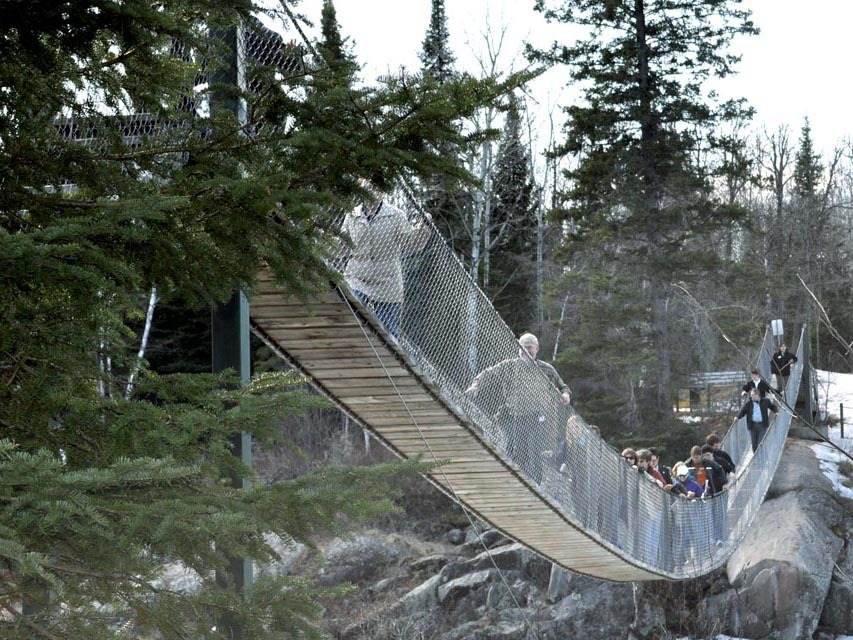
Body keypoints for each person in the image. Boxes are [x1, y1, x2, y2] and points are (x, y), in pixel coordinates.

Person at [465, 332, 571, 481]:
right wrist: (475, 386)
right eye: (522, 348)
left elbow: (563, 386)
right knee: (516, 450)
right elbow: (488, 373)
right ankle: (514, 480)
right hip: (516, 416)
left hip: (538, 417)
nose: (526, 351)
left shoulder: (546, 369)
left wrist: (565, 395)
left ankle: (535, 484)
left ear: (537, 349)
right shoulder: (509, 366)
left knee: (535, 449)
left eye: (529, 348)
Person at [342, 180, 431, 339]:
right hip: (357, 277)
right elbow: (342, 243)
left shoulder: (396, 215)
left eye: (375, 188)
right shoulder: (352, 215)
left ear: (382, 193)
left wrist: (423, 229)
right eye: (367, 188)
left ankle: (391, 361)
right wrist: (322, 239)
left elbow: (412, 244)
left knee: (388, 332)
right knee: (351, 313)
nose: (371, 192)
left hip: (387, 282)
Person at [737, 388, 778, 453]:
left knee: (760, 443)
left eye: (753, 395)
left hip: (762, 425)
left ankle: (760, 458)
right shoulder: (749, 403)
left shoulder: (766, 401)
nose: (751, 396)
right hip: (752, 426)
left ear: (757, 395)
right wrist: (737, 417)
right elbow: (743, 411)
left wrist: (776, 412)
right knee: (754, 443)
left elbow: (772, 406)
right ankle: (755, 459)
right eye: (751, 395)